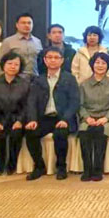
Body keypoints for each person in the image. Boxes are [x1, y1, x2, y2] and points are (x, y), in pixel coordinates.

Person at [25, 46, 80, 181]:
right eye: (49, 57)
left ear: (62, 60)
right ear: (44, 60)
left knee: (60, 133)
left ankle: (61, 167)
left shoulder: (69, 79)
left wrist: (65, 119)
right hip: (44, 117)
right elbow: (31, 101)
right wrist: (32, 119)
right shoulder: (38, 80)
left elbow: (74, 102)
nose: (53, 60)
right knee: (30, 132)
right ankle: (39, 166)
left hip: (63, 117)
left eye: (56, 57)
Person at [0, 51, 29, 175]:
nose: (12, 66)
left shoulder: (25, 84)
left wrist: (20, 121)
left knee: (16, 134)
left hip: (17, 119)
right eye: (9, 63)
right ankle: (0, 165)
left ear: (20, 67)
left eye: (16, 64)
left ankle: (11, 165)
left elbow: (26, 106)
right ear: (3, 65)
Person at [77, 53, 109, 182]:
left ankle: (97, 169)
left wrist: (106, 118)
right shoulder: (84, 84)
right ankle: (87, 169)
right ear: (92, 65)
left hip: (107, 119)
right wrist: (86, 118)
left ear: (108, 66)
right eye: (97, 62)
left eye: (103, 63)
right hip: (88, 118)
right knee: (84, 133)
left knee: (100, 132)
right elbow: (80, 105)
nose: (100, 65)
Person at [0, 13, 43, 79]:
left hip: (35, 78)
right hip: (16, 79)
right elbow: (2, 62)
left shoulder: (37, 41)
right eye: (23, 23)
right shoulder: (8, 41)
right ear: (17, 25)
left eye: (29, 23)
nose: (26, 25)